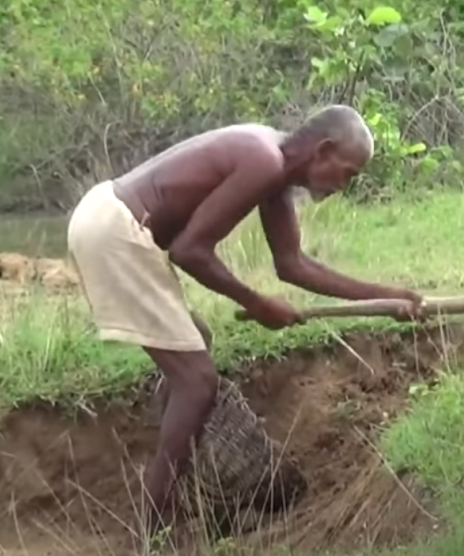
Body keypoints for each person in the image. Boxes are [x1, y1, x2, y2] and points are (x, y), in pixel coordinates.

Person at [66, 104, 425, 538]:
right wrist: (255, 302)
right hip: (114, 229)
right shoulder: (264, 160)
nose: (343, 186)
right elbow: (189, 250)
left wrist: (387, 297)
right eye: (347, 173)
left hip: (108, 216)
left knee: (194, 344)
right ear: (324, 150)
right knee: (196, 382)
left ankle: (193, 469)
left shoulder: (275, 169)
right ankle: (151, 530)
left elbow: (293, 265)